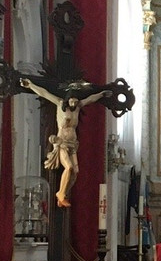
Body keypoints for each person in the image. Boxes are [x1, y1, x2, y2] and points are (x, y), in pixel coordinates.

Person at [21, 78, 111, 207]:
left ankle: (64, 194)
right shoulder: (59, 104)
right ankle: (60, 193)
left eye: (76, 100)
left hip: (72, 144)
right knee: (68, 168)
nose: (74, 102)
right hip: (61, 142)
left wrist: (102, 94)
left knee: (75, 171)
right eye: (72, 100)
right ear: (67, 99)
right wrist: (30, 85)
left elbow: (91, 98)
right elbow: (44, 93)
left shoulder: (78, 106)